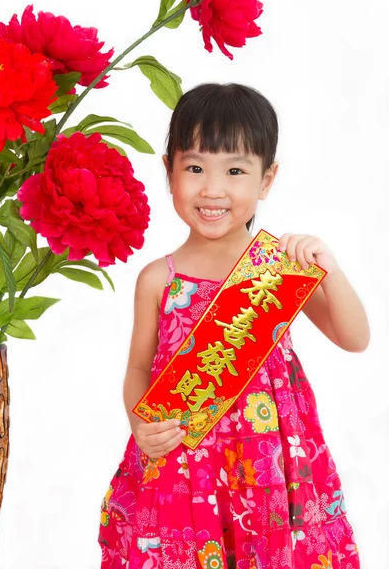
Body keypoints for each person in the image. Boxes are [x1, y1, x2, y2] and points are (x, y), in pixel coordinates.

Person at [98, 83, 369, 568]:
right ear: (169, 170)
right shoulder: (159, 278)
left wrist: (328, 268)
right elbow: (139, 367)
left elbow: (355, 338)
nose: (213, 189)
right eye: (195, 167)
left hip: (269, 467)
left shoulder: (277, 270)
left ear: (267, 180)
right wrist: (139, 421)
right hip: (184, 464)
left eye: (236, 170)